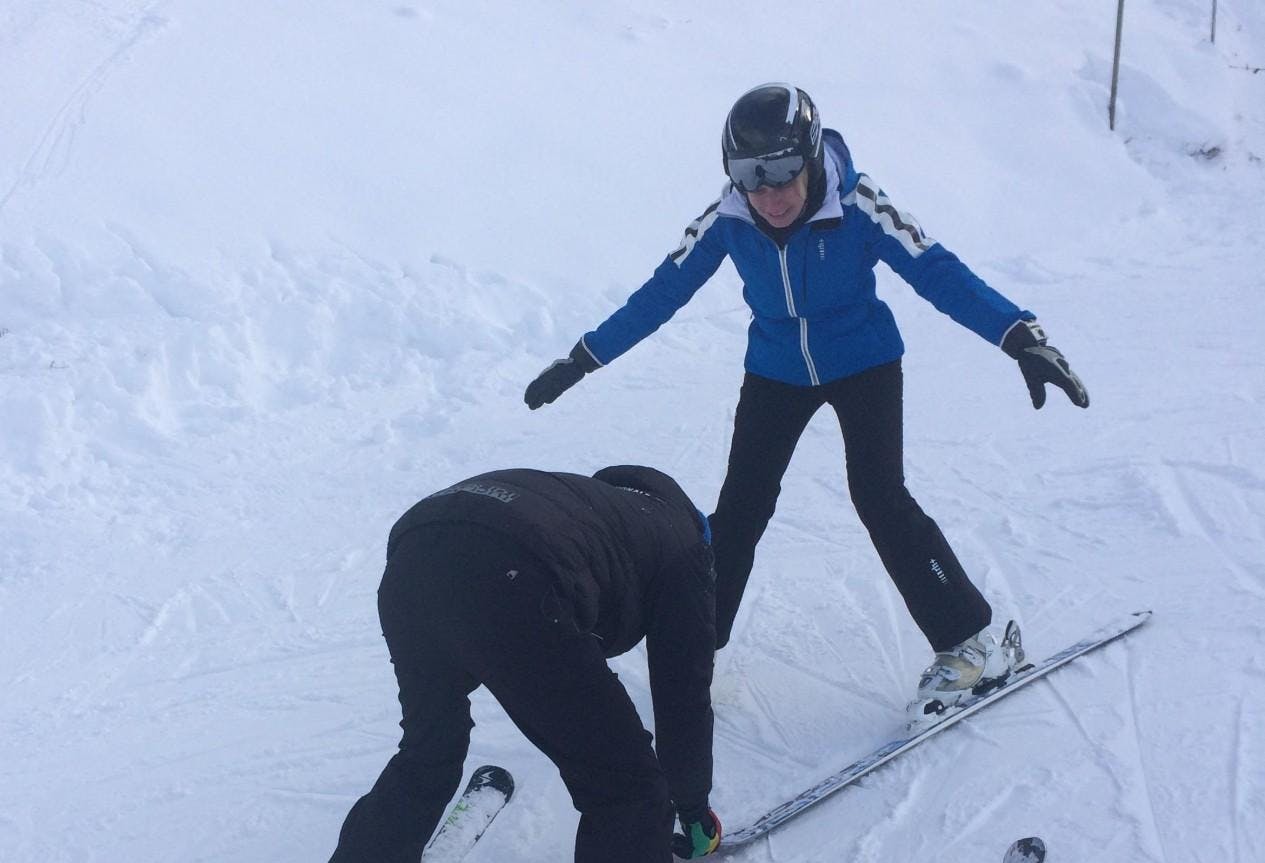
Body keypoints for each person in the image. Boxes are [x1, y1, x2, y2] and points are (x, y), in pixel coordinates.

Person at [523, 83, 1089, 721]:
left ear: (813, 156)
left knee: (880, 497)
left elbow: (938, 270)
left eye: (783, 173)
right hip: (775, 371)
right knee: (738, 510)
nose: (768, 195)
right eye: (749, 178)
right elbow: (664, 290)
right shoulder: (730, 217)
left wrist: (1019, 335)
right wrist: (586, 355)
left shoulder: (859, 203)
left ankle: (970, 644)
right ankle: (694, 647)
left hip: (865, 362)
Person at [327, 465, 723, 862]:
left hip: (414, 559)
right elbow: (682, 697)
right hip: (512, 573)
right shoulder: (686, 548)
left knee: (428, 750)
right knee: (627, 788)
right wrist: (692, 811)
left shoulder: (598, 506)